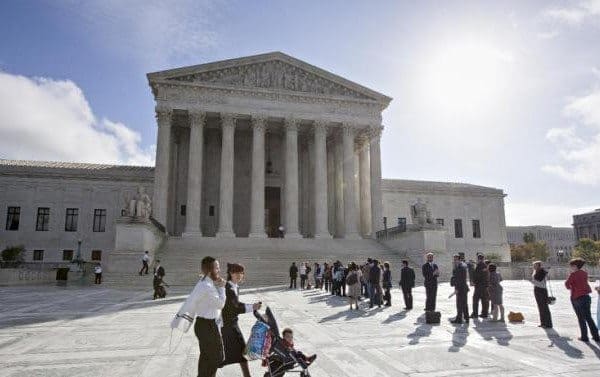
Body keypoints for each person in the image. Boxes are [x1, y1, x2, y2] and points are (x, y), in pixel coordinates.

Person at [171, 256, 226, 377]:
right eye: (217, 267)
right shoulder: (207, 286)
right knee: (215, 359)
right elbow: (220, 304)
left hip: (203, 325)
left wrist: (215, 283)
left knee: (206, 358)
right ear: (210, 271)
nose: (219, 270)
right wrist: (222, 288)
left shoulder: (205, 282)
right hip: (208, 326)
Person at [220, 263, 262, 376]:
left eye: (241, 273)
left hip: (232, 324)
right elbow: (234, 307)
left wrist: (251, 306)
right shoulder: (228, 288)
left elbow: (236, 305)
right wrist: (252, 307)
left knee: (239, 354)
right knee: (229, 356)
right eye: (236, 272)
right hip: (227, 325)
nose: (239, 275)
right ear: (230, 273)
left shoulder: (235, 287)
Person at [564, 258, 600, 342]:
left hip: (576, 297)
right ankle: (596, 336)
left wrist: (571, 285)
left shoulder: (573, 274)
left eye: (572, 266)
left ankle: (584, 336)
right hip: (586, 297)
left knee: (581, 318)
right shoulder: (584, 273)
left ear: (575, 266)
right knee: (588, 317)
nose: (571, 267)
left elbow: (567, 285)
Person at [531, 261, 553, 329]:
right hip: (537, 289)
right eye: (533, 265)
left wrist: (543, 268)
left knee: (544, 307)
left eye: (535, 265)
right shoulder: (536, 271)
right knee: (540, 307)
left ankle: (548, 324)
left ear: (539, 266)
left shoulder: (543, 271)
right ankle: (543, 323)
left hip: (542, 289)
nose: (534, 267)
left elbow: (538, 279)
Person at [450, 254, 469, 324]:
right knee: (464, 304)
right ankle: (466, 318)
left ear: (458, 259)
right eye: (454, 259)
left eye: (455, 259)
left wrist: (457, 289)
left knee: (459, 304)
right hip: (463, 288)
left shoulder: (460, 267)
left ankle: (459, 319)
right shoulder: (462, 265)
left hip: (461, 288)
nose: (454, 261)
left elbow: (460, 279)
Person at [471, 253, 490, 319]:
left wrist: (474, 281)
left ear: (478, 259)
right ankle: (484, 313)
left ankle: (475, 313)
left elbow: (477, 275)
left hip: (479, 285)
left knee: (475, 300)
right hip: (484, 285)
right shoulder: (485, 265)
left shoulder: (480, 265)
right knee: (484, 300)